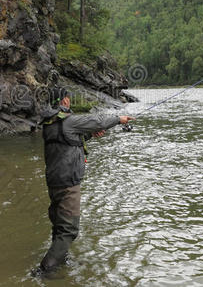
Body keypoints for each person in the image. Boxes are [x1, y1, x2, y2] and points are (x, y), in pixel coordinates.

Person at [33, 87, 134, 277]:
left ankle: (60, 259)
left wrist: (88, 135)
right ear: (64, 101)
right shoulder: (70, 121)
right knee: (69, 229)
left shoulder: (49, 123)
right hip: (68, 183)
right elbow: (97, 121)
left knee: (59, 225)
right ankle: (46, 269)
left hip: (53, 181)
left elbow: (67, 139)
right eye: (68, 99)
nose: (69, 101)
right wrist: (118, 119)